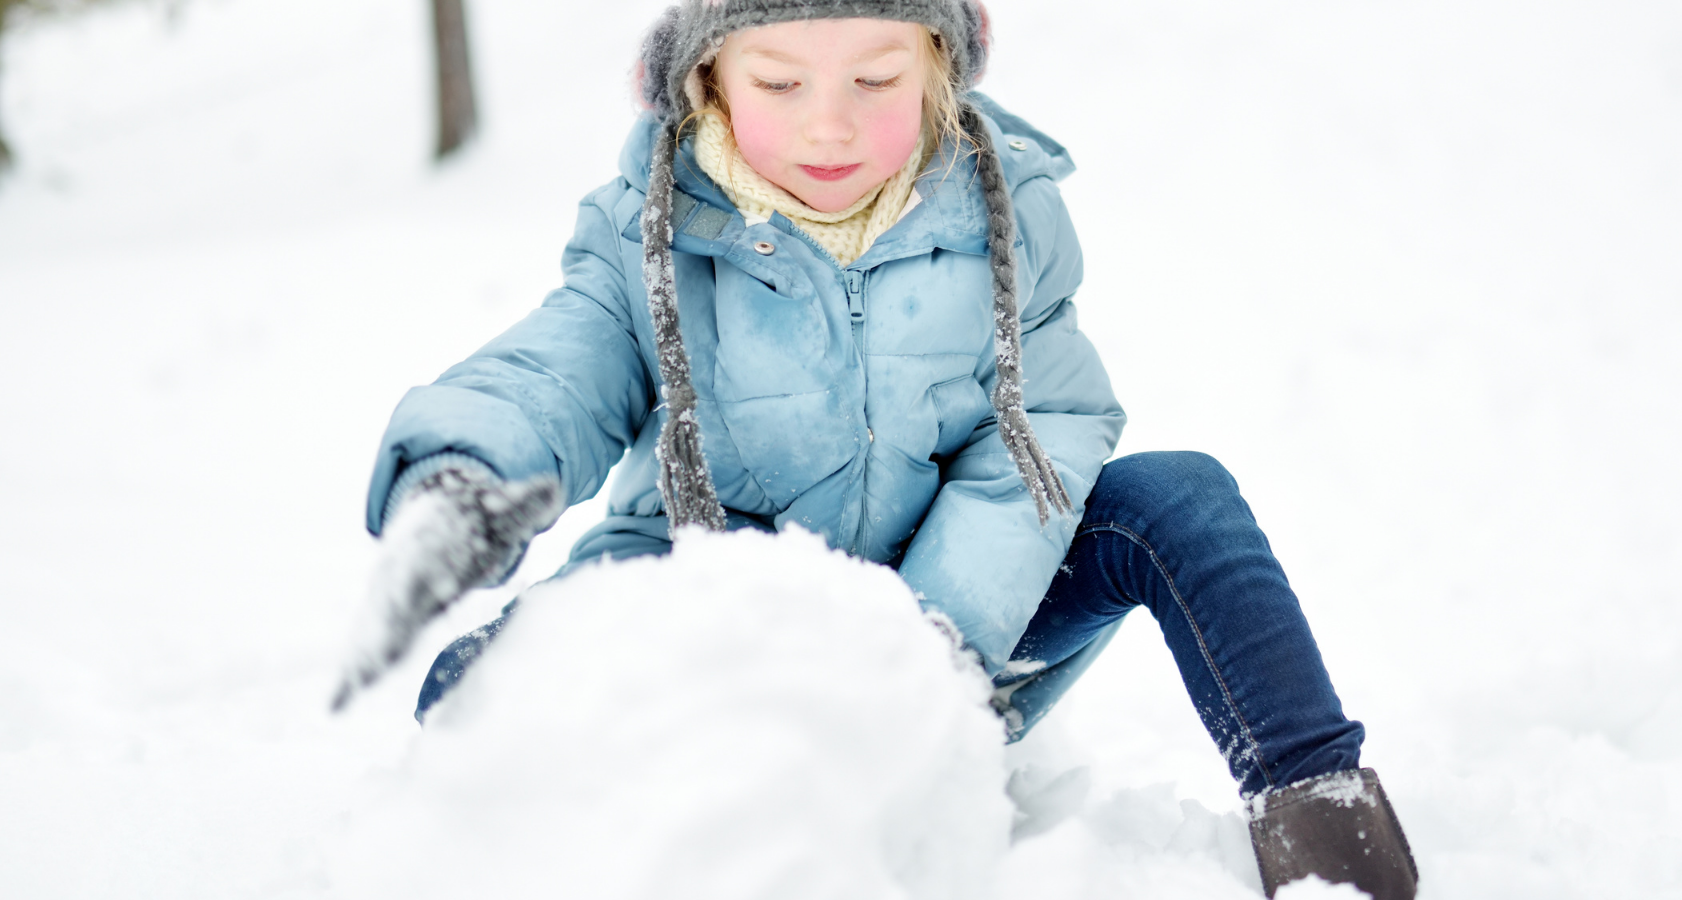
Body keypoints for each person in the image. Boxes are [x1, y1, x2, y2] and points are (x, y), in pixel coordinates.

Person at [339, 2, 1417, 896]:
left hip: (959, 636)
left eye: (875, 78)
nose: (830, 127)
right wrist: (465, 474)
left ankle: (1323, 826)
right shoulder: (651, 228)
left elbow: (1046, 426)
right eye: (779, 83)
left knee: (1179, 500)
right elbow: (557, 366)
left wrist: (928, 644)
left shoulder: (1007, 209)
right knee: (481, 682)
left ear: (940, 65)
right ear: (707, 78)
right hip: (708, 610)